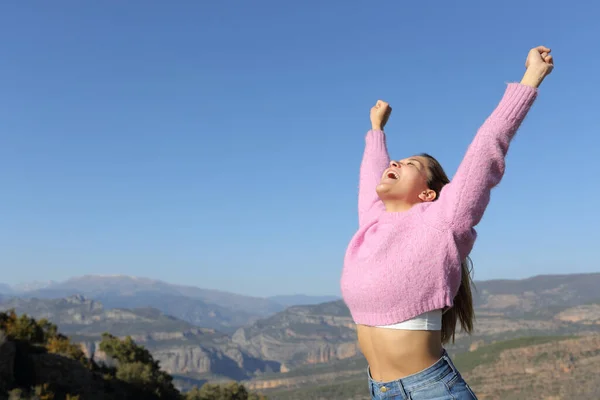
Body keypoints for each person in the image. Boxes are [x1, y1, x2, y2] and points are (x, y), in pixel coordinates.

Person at [340, 45, 554, 399]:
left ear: (428, 193)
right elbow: (370, 175)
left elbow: (487, 148)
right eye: (393, 163)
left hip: (431, 391)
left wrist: (531, 78)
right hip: (379, 390)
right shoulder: (372, 223)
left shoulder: (442, 219)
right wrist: (376, 130)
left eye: (409, 165)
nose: (393, 165)